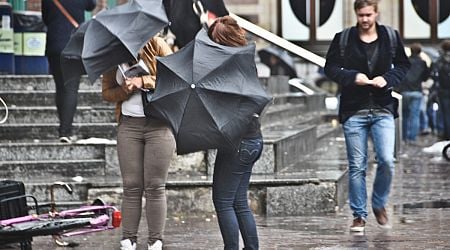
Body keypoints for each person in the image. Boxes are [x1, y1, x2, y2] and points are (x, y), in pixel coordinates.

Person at [324, 0, 410, 232]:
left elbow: (403, 65)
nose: (364, 19)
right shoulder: (343, 38)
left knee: (386, 161)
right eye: (361, 15)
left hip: (382, 108)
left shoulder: (390, 36)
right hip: (354, 110)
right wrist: (352, 76)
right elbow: (330, 68)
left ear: (376, 13)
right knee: (357, 166)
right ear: (356, 14)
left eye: (368, 15)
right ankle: (359, 215)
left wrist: (388, 79)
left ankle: (379, 203)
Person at [101, 36, 175, 250]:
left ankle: (155, 240)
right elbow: (106, 93)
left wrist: (144, 81)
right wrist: (125, 89)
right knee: (131, 186)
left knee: (155, 186)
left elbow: (175, 80)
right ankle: (128, 238)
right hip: (129, 127)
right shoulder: (112, 55)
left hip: (159, 126)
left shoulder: (158, 46)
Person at [208, 16, 263, 250]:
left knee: (222, 201)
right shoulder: (244, 61)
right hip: (252, 140)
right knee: (238, 200)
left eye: (213, 39)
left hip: (238, 141)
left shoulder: (228, 66)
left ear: (222, 39)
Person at [42, 0, 96, 143]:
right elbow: (91, 5)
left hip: (55, 45)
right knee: (71, 89)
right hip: (74, 45)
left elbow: (45, 19)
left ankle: (63, 130)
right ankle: (66, 131)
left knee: (60, 87)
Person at [399, 43, 430, 143]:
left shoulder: (404, 62)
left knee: (404, 115)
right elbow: (425, 77)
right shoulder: (422, 62)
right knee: (415, 115)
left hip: (404, 91)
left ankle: (404, 136)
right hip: (417, 90)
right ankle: (412, 137)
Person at [431, 40, 450, 140]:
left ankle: (446, 134)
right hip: (444, 89)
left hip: (444, 89)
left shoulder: (440, 60)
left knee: (445, 112)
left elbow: (434, 74)